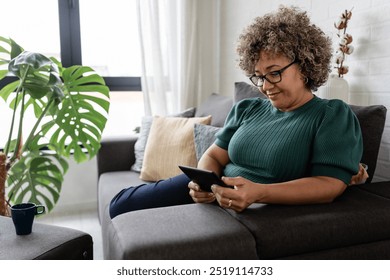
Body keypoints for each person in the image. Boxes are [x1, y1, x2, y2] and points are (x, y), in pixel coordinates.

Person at [109, 5, 368, 219]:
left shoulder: (331, 115)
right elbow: (213, 155)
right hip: (216, 192)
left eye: (275, 73)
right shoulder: (248, 108)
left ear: (306, 65)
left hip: (254, 204)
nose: (266, 86)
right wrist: (205, 184)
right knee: (120, 205)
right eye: (259, 77)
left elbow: (329, 185)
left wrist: (258, 193)